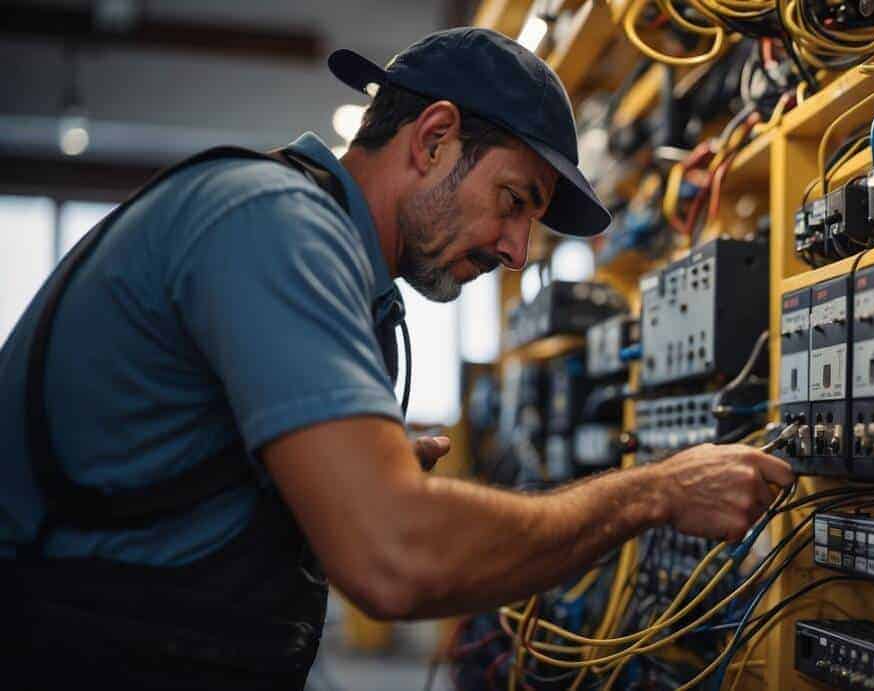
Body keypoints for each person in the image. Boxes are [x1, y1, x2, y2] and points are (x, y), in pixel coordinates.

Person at [0, 27, 793, 688]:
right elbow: (394, 558)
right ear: (435, 138)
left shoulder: (335, 264)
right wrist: (653, 492)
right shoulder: (277, 226)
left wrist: (328, 465)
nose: (519, 251)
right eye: (514, 202)